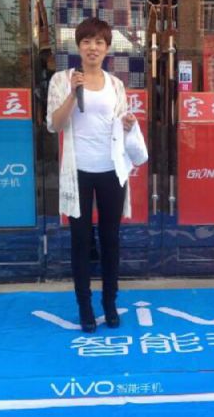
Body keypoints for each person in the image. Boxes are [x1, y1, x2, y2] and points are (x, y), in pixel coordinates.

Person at [46, 17, 147, 333]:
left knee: (110, 239)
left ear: (107, 48)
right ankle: (85, 307)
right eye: (87, 41)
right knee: (80, 241)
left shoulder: (115, 84)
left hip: (111, 171)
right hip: (78, 172)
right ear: (78, 46)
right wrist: (72, 94)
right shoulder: (62, 80)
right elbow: (55, 125)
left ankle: (109, 303)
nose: (93, 47)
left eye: (99, 42)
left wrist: (127, 124)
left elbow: (119, 122)